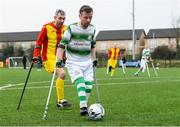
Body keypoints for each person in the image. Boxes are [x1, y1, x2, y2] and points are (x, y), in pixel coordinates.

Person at [57, 5, 97, 116]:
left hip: (87, 62)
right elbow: (61, 45)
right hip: (73, 62)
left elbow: (92, 45)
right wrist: (59, 60)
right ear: (79, 16)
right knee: (80, 82)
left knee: (89, 85)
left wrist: (94, 59)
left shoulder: (92, 29)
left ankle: (84, 104)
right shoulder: (71, 28)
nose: (88, 20)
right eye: (86, 17)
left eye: (90, 17)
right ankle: (83, 106)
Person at [33, 9, 71, 108]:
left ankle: (60, 100)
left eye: (64, 18)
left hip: (59, 58)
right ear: (54, 18)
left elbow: (67, 44)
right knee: (62, 73)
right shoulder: (46, 27)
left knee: (62, 75)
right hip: (48, 57)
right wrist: (35, 55)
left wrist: (65, 56)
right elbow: (39, 42)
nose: (62, 20)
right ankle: (60, 101)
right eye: (60, 18)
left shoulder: (66, 29)